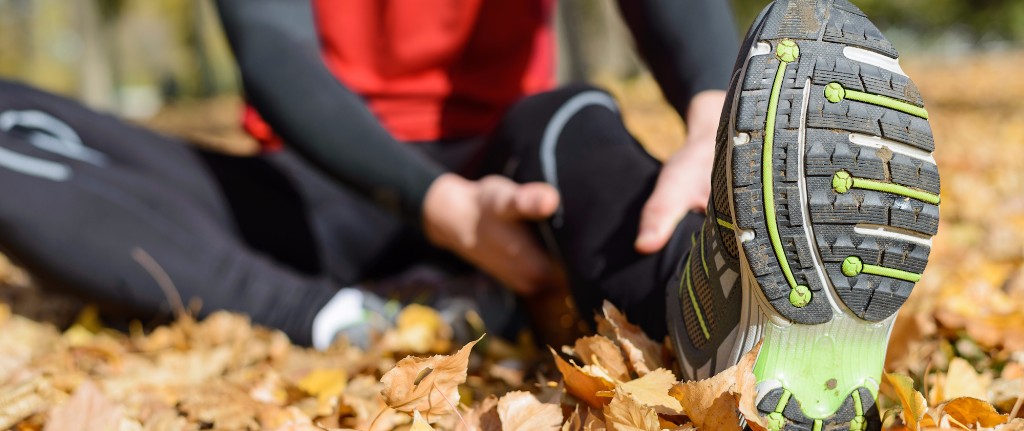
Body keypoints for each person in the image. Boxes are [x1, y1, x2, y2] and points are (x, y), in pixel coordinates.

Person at [0, 0, 939, 428]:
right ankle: (336, 314)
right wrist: (438, 204)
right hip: (317, 188)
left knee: (573, 116)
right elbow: (273, 53)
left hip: (516, 174)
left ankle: (729, 319)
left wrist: (707, 117)